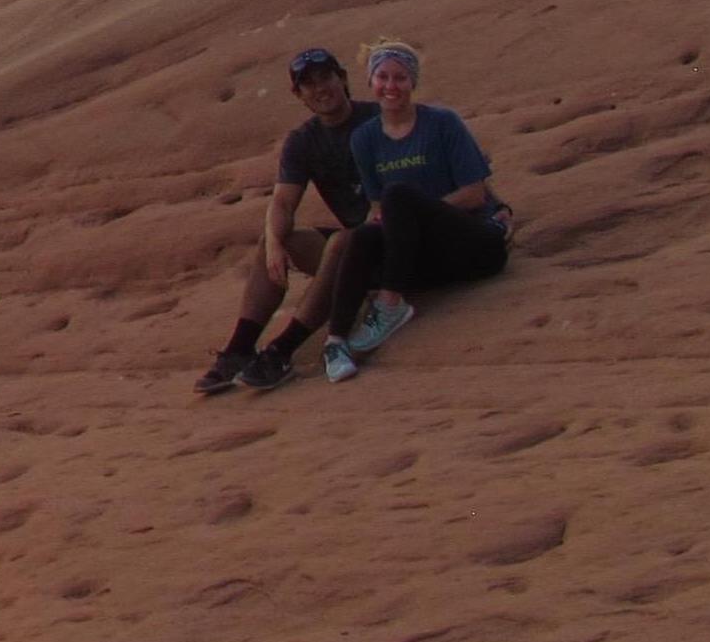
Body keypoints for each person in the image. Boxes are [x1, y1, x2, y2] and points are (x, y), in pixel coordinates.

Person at [320, 38, 511, 382]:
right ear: (370, 82)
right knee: (363, 235)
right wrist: (385, 228)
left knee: (398, 197)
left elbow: (473, 195)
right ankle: (335, 343)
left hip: (476, 247)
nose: (391, 86)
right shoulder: (363, 139)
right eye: (383, 77)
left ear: (413, 83)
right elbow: (376, 208)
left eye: (400, 78)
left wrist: (410, 213)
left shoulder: (442, 123)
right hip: (426, 260)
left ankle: (390, 304)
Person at [195, 47, 372, 395]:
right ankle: (240, 349)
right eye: (309, 84)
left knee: (343, 241)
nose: (321, 89)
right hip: (355, 248)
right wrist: (275, 243)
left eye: (326, 77)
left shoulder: (376, 121)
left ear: (343, 78)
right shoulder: (304, 141)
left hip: (389, 242)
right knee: (279, 238)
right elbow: (282, 201)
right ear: (299, 95)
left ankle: (282, 350)